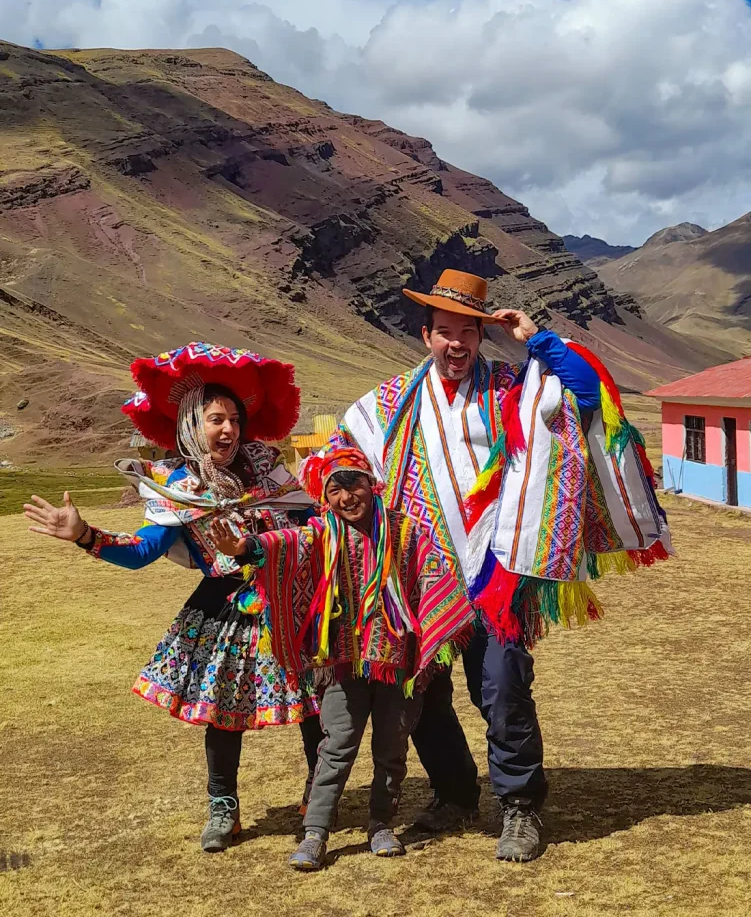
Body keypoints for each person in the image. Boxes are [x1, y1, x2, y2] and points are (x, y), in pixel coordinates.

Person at [328, 269, 671, 862]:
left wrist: (536, 338)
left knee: (503, 689)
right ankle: (456, 795)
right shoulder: (389, 403)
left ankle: (519, 806)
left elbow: (585, 395)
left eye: (468, 332)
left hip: (498, 570)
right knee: (423, 698)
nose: (455, 344)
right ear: (424, 335)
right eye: (444, 332)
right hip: (423, 577)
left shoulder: (513, 389)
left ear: (483, 336)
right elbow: (343, 453)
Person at [23, 343, 323, 853]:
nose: (227, 430)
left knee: (315, 704)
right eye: (214, 420)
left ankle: (320, 794)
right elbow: (142, 551)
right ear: (190, 423)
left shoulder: (268, 467)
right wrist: (84, 535)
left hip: (287, 597)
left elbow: (310, 522)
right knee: (223, 709)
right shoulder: (177, 485)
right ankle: (223, 806)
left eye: (234, 419)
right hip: (224, 608)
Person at [211, 446, 475, 870]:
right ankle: (315, 832)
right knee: (336, 746)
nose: (346, 496)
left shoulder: (405, 532)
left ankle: (381, 824)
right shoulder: (320, 533)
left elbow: (434, 574)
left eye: (354, 484)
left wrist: (442, 622)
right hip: (340, 662)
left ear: (373, 485)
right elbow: (285, 543)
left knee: (392, 747)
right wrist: (245, 548)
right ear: (324, 497)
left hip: (398, 664)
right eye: (334, 489)